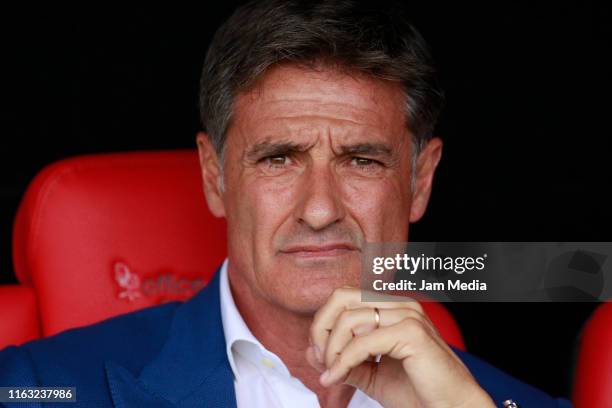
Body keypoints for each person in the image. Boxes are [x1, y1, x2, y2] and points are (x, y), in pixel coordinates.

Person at [0, 1, 572, 407]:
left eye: (362, 161)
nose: (319, 209)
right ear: (214, 177)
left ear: (420, 181)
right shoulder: (37, 388)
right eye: (278, 159)